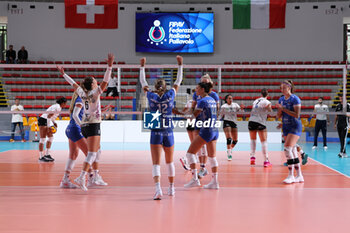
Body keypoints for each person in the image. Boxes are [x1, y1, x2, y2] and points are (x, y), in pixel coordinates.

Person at [57, 53, 114, 191]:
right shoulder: (96, 93)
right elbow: (106, 81)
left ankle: (93, 176)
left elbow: (73, 84)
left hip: (85, 124)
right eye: (95, 81)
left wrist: (64, 74)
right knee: (92, 153)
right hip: (93, 123)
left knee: (95, 151)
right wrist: (110, 66)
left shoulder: (82, 93)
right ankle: (84, 176)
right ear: (93, 85)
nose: (97, 82)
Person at [140, 55, 183, 200]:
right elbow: (178, 81)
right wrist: (180, 65)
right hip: (168, 130)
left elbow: (142, 82)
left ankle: (158, 190)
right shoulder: (170, 95)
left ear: (155, 86)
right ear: (165, 87)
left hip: (155, 130)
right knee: (170, 161)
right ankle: (171, 188)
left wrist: (142, 66)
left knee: (156, 163)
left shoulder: (151, 95)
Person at [60, 92, 107, 188]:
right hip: (76, 129)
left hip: (71, 128)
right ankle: (91, 179)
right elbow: (75, 115)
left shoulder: (80, 99)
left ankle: (65, 180)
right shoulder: (80, 99)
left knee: (73, 155)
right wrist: (83, 126)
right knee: (91, 154)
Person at [184, 82, 219, 189]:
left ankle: (195, 180)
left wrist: (182, 115)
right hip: (214, 130)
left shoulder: (202, 101)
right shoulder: (212, 100)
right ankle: (215, 182)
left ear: (203, 89)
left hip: (206, 130)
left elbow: (193, 116)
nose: (196, 90)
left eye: (197, 88)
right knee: (212, 157)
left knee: (190, 154)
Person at [190, 74, 220, 178]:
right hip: (199, 122)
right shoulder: (197, 95)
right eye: (202, 81)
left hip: (208, 124)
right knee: (200, 146)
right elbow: (193, 107)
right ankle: (202, 168)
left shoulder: (213, 95)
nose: (204, 83)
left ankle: (202, 168)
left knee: (202, 146)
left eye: (205, 82)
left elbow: (217, 109)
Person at [276, 80, 304, 184]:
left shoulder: (295, 99)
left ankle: (291, 175)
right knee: (292, 151)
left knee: (287, 148)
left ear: (289, 88)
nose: (282, 90)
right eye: (281, 88)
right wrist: (278, 112)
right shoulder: (281, 99)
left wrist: (283, 108)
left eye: (283, 88)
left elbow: (297, 115)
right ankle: (300, 175)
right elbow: (279, 115)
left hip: (295, 126)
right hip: (286, 126)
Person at [38, 97, 67, 162]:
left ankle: (47, 154)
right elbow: (48, 116)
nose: (66, 105)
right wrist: (48, 127)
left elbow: (52, 117)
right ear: (63, 103)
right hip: (43, 120)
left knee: (51, 137)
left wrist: (54, 123)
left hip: (47, 120)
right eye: (65, 104)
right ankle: (41, 157)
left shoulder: (58, 107)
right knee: (42, 139)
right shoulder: (57, 107)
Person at [248, 88, 272, 167]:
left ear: (261, 94)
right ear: (267, 95)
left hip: (251, 121)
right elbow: (270, 111)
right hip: (260, 121)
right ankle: (266, 161)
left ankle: (252, 157)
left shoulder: (255, 101)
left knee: (253, 139)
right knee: (264, 141)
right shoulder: (267, 102)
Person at [173, 90, 195, 171]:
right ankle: (186, 159)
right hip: (196, 124)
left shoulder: (189, 102)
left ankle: (189, 161)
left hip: (189, 123)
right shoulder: (199, 102)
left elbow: (184, 111)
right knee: (196, 145)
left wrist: (180, 113)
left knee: (194, 144)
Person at [219, 94, 241, 161]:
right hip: (227, 121)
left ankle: (230, 149)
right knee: (229, 138)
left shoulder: (236, 105)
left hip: (234, 122)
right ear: (226, 99)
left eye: (231, 98)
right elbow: (220, 115)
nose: (231, 99)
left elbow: (240, 112)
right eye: (229, 98)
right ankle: (229, 154)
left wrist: (241, 109)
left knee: (235, 140)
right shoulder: (224, 106)